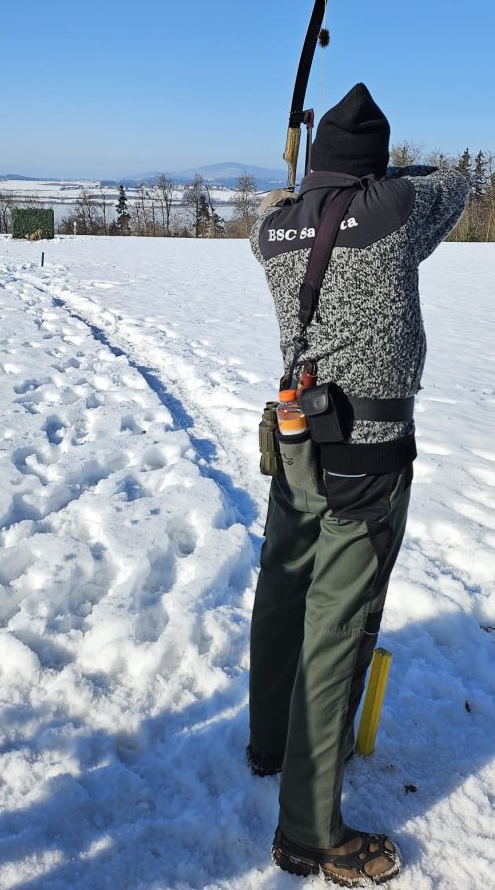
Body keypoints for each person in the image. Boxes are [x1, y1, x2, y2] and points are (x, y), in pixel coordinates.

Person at [248, 82, 469, 886]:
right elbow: (455, 183)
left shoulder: (269, 228)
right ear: (373, 166)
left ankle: (269, 743)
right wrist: (384, 175)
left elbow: (287, 211)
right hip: (367, 453)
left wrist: (305, 187)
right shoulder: (392, 209)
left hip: (297, 437)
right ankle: (309, 833)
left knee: (284, 590)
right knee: (336, 627)